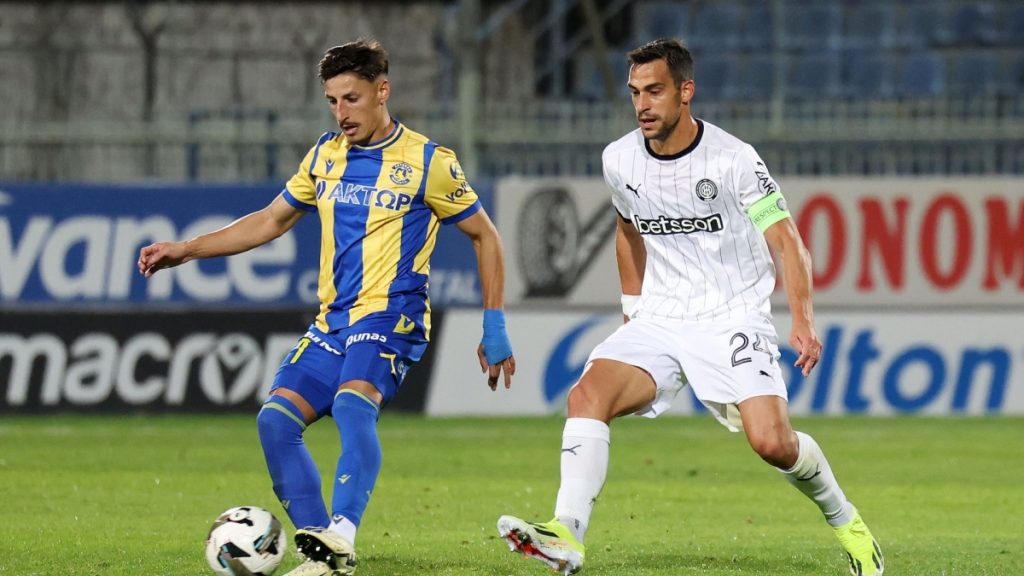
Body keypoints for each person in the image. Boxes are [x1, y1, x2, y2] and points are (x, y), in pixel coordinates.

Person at [496, 39, 882, 576]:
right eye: (635, 93)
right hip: (660, 317)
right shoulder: (619, 159)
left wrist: (803, 319)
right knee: (586, 396)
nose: (642, 105)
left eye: (654, 91)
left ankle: (847, 521)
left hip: (733, 315)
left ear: (685, 91)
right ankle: (567, 534)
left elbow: (788, 242)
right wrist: (632, 308)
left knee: (772, 442)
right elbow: (627, 231)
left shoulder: (733, 160)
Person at [138, 38, 516, 576]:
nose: (341, 114)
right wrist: (187, 249)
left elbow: (485, 235)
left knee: (352, 405)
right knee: (275, 421)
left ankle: (343, 532)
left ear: (382, 91)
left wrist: (494, 324)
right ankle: (323, 550)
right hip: (333, 321)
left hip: (392, 315)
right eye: (332, 102)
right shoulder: (324, 156)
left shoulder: (429, 161)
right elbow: (270, 220)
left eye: (351, 99)